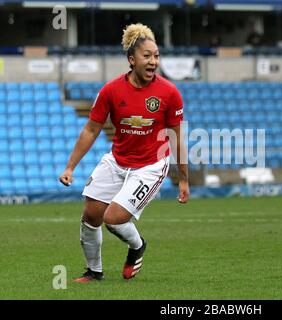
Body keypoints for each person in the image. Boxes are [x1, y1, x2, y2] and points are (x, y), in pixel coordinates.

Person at [59, 23, 189, 281]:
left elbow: (176, 137)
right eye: (147, 56)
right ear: (131, 59)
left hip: (150, 166)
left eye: (157, 56)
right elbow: (91, 129)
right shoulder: (111, 90)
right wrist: (70, 166)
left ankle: (137, 245)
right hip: (117, 161)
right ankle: (94, 272)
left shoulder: (169, 92)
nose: (153, 61)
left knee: (114, 219)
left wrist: (183, 177)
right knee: (90, 216)